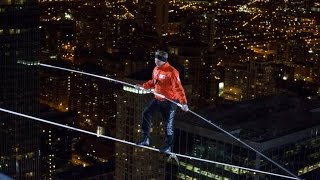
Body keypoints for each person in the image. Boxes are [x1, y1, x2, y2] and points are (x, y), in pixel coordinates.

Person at [135, 50, 189, 153]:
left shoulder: (172, 72)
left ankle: (168, 146)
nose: (156, 62)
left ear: (164, 61)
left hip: (170, 102)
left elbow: (178, 88)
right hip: (158, 99)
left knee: (167, 125)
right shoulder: (156, 69)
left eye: (158, 61)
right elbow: (153, 82)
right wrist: (143, 86)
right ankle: (145, 138)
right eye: (155, 60)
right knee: (146, 113)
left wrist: (183, 103)